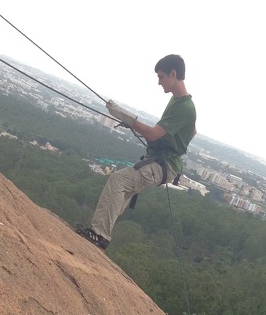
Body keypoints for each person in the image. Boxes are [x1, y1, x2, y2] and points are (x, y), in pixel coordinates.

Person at [75, 55, 196, 249]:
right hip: (161, 161)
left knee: (118, 181)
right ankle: (100, 233)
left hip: (163, 164)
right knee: (122, 191)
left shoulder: (184, 107)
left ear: (173, 74)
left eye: (161, 76)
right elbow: (192, 131)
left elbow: (154, 134)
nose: (159, 82)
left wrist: (129, 119)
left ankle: (100, 235)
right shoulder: (178, 101)